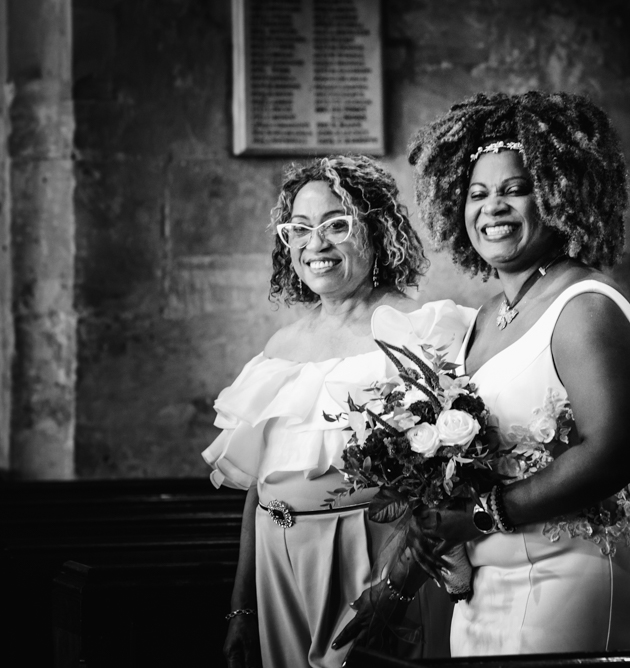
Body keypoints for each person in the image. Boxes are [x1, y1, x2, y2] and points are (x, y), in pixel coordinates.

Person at [407, 91, 630, 655]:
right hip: (484, 585)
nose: (491, 207)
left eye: (514, 190)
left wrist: (477, 516)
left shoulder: (585, 304)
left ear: (557, 194)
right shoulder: (483, 318)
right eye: (477, 194)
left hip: (572, 573)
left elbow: (616, 452)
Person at [202, 155, 471, 668]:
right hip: (275, 563)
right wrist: (241, 606)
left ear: (378, 229)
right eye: (299, 229)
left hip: (373, 559)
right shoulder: (280, 346)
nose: (315, 243)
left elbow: (450, 483)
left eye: (336, 225)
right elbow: (261, 485)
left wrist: (393, 586)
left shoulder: (419, 330)